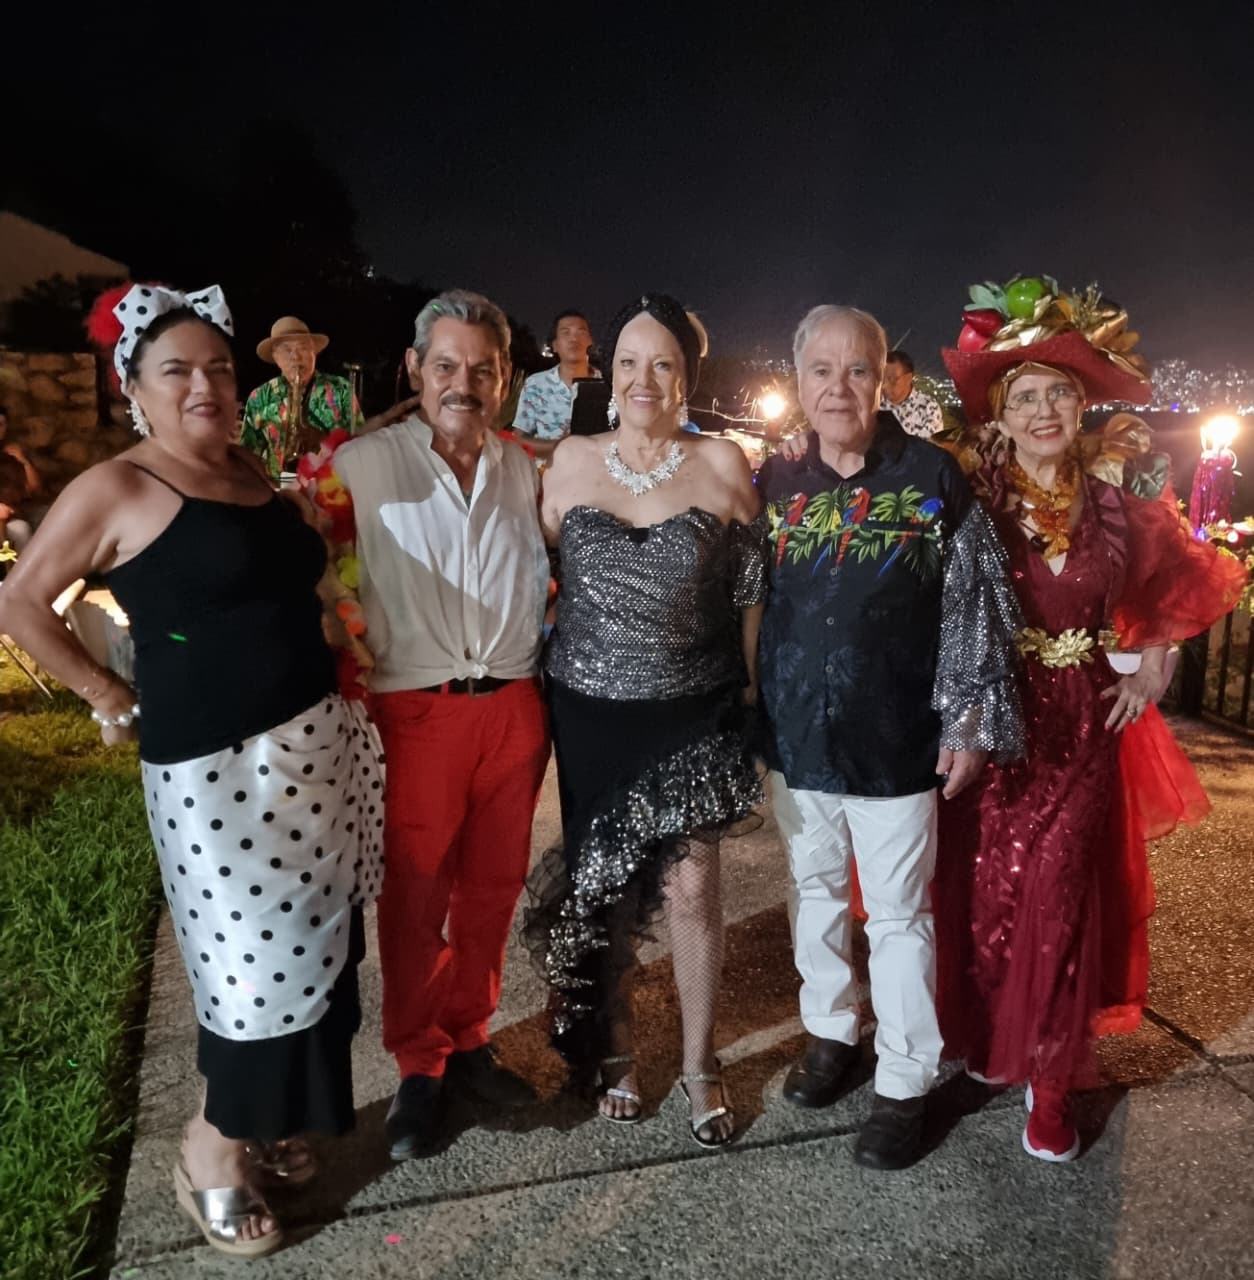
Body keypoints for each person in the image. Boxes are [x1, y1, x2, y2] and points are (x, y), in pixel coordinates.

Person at [0, 283, 384, 1258]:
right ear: (133, 389)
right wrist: (104, 692)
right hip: (217, 777)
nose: (206, 385)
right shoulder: (118, 487)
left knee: (322, 945)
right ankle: (211, 1147)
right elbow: (21, 602)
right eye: (178, 370)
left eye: (218, 367)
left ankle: (274, 1118)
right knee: (251, 965)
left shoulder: (247, 467)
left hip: (314, 749)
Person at [933, 280, 1247, 1162]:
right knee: (987, 889)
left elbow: (1184, 577)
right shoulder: (975, 503)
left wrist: (1157, 662)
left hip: (1082, 725)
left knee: (1060, 893)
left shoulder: (1115, 503)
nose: (1044, 410)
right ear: (1001, 415)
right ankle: (992, 1038)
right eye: (1025, 397)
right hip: (996, 720)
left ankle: (1049, 1082)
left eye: (1059, 394)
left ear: (1081, 407)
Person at [758, 305, 1024, 1170]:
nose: (838, 388)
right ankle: (832, 1032)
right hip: (797, 733)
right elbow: (746, 596)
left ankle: (906, 1078)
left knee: (901, 915)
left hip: (898, 737)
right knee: (815, 893)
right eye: (821, 370)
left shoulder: (934, 475)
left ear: (884, 381)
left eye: (857, 370)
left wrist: (970, 720)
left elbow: (978, 605)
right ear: (799, 381)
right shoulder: (774, 479)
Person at [524, 292, 764, 1148]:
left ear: (686, 377)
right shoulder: (570, 460)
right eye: (628, 362)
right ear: (609, 371)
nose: (643, 380)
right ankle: (618, 1047)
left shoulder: (723, 462)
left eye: (662, 364)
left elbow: (751, 587)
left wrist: (751, 688)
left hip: (692, 708)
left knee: (694, 889)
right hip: (590, 709)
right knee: (606, 887)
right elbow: (530, 566)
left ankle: (700, 1060)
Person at [330, 289, 552, 1160]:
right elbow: (303, 554)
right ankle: (418, 1062)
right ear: (415, 369)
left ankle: (469, 1037)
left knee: (493, 888)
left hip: (514, 706)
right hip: (415, 710)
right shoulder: (360, 463)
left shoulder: (524, 467)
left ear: (506, 378)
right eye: (447, 365)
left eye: (483, 369)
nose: (465, 383)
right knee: (416, 896)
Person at [241, 316, 365, 479]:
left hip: (330, 484)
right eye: (286, 350)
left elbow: (361, 446)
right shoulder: (259, 396)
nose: (295, 357)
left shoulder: (341, 389)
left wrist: (322, 440)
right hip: (279, 487)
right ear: (275, 357)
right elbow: (247, 457)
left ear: (314, 352)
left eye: (303, 348)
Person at [512, 309, 597, 460]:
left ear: (590, 341)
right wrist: (560, 446)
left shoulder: (608, 384)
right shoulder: (535, 385)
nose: (574, 339)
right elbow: (518, 439)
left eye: (580, 332)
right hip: (548, 472)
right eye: (566, 332)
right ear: (555, 345)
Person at [0, 406, 41, 548]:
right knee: (20, 530)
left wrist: (23, 461)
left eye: (1, 424)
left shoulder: (11, 452)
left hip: (16, 512)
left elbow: (34, 489)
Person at [882, 349, 943, 438]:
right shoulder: (874, 406)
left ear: (908, 378)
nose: (885, 385)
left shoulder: (928, 408)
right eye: (882, 379)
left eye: (891, 379)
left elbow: (931, 444)